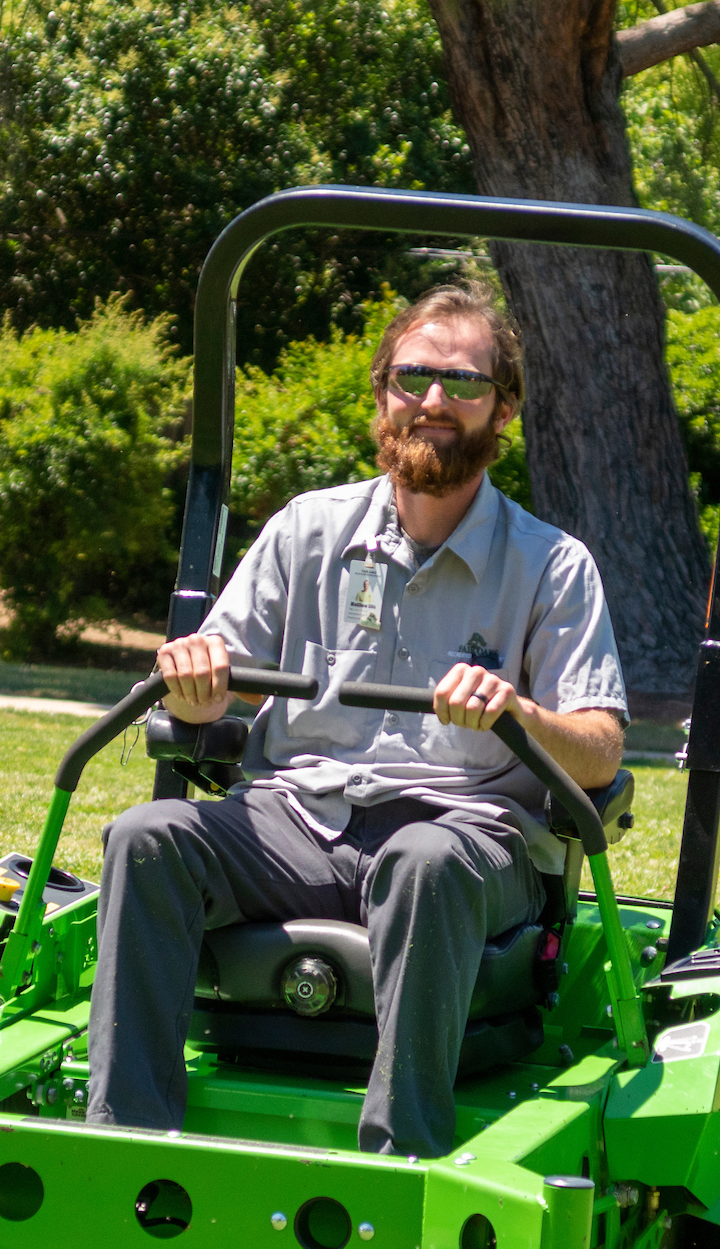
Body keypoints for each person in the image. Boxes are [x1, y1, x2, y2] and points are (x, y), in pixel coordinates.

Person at [85, 283, 628, 1157]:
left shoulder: (553, 567)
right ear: (382, 392)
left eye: (465, 383)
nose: (435, 401)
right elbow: (210, 687)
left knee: (423, 860)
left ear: (505, 409)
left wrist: (517, 714)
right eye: (414, 376)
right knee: (146, 838)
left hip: (465, 834)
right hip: (294, 819)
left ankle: (400, 1159)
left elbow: (600, 754)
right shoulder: (309, 529)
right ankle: (123, 1146)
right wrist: (192, 680)